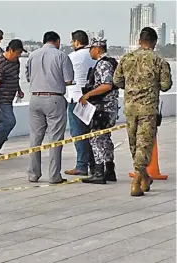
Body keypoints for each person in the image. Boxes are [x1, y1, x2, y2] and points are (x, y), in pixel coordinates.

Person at [114, 27, 172, 196]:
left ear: (139, 41)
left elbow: (117, 81)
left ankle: (144, 177)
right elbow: (166, 85)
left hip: (130, 108)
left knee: (134, 144)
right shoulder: (159, 61)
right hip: (148, 109)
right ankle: (136, 182)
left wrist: (132, 87)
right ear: (154, 42)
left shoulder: (126, 59)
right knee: (144, 145)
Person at [26, 31, 74, 184]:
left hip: (34, 98)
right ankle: (54, 176)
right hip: (54, 98)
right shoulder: (61, 56)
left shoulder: (32, 55)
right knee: (55, 139)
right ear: (57, 41)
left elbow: (28, 77)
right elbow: (68, 79)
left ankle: (33, 174)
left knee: (35, 138)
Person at [80, 38, 119, 185]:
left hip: (103, 108)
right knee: (105, 138)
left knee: (96, 138)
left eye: (91, 49)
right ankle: (109, 170)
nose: (89, 51)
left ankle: (98, 172)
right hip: (109, 107)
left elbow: (107, 85)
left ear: (97, 49)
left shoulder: (103, 64)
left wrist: (88, 94)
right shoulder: (110, 62)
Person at [0, 39, 25, 158]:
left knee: (4, 122)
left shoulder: (15, 62)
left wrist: (19, 89)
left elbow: (14, 77)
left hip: (10, 98)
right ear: (10, 50)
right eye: (17, 53)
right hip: (1, 99)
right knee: (9, 121)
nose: (19, 55)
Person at [64, 30, 96, 176]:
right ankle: (94, 165)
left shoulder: (72, 56)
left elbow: (65, 77)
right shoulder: (93, 56)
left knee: (78, 133)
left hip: (75, 98)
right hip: (92, 97)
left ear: (76, 42)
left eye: (72, 42)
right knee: (91, 133)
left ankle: (81, 165)